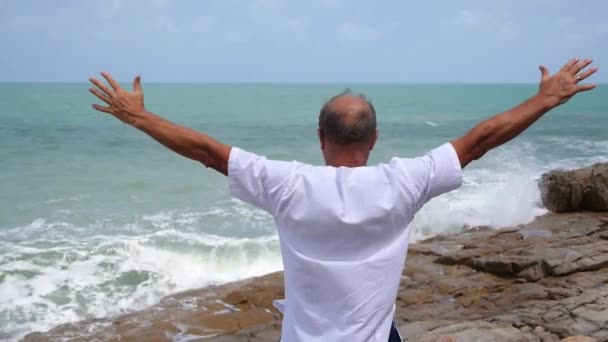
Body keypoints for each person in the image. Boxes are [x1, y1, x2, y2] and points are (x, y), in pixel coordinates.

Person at [89, 58, 597, 342]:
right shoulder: (403, 182)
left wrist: (138, 117)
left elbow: (206, 152)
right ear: (374, 139)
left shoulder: (287, 185)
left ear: (319, 137)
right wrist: (546, 98)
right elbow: (480, 140)